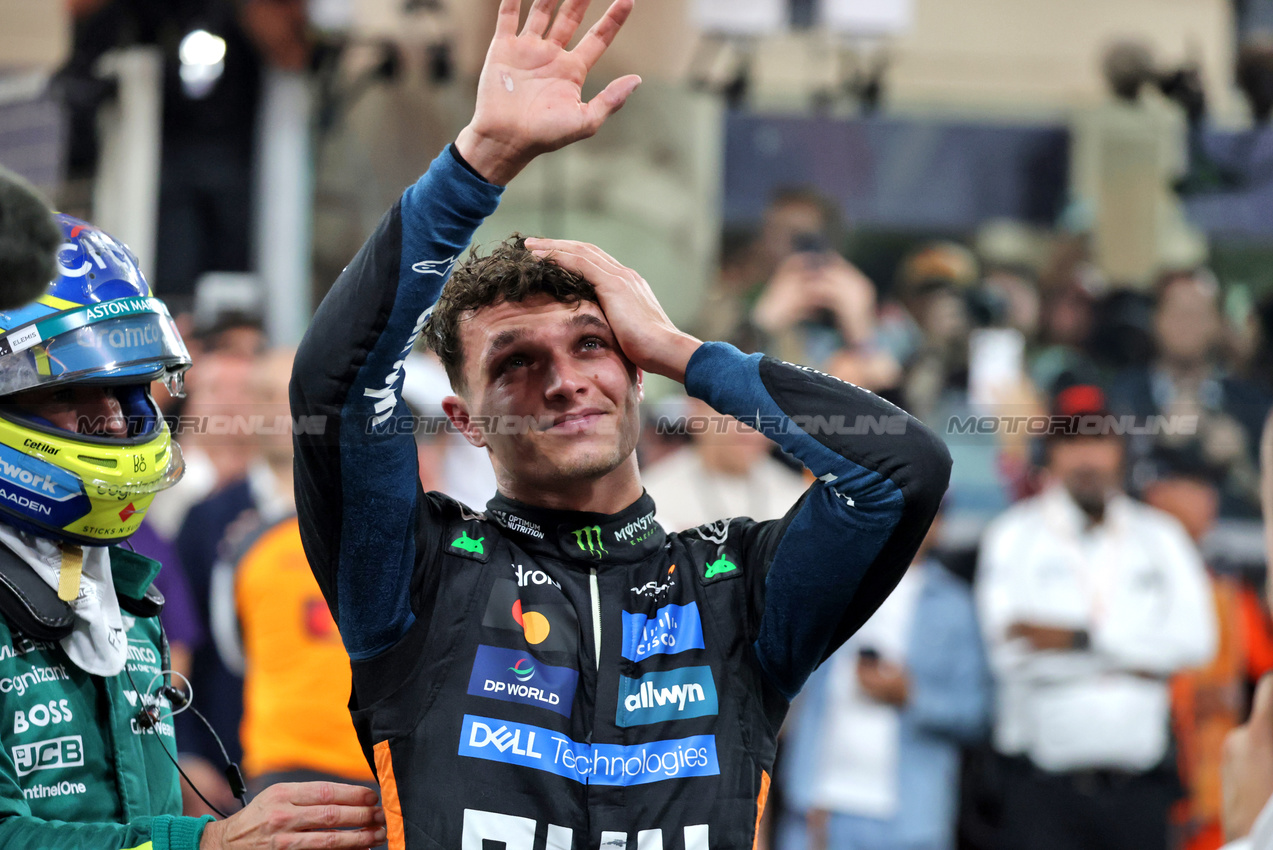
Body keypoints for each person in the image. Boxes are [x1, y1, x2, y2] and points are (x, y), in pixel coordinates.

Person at [289, 0, 951, 847]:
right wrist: (478, 162)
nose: (564, 382)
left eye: (592, 346)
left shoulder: (738, 590)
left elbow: (902, 473)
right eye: (515, 364)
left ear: (634, 372)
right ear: (466, 422)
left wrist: (686, 352)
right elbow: (337, 384)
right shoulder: (414, 582)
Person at [0, 214, 385, 849]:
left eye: (128, 392)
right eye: (77, 393)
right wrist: (209, 844)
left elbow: (133, 827)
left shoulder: (119, 585)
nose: (119, 425)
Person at [976, 383, 1217, 850]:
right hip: (1043, 793)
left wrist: (1080, 639)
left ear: (1120, 450)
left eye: (1099, 440)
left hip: (1141, 792)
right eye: (1072, 441)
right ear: (1050, 453)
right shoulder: (1013, 536)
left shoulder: (1161, 537)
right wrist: (1143, 658)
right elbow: (1009, 656)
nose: (1087, 457)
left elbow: (1196, 642)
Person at [776, 513, 990, 850]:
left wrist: (911, 695)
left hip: (911, 817)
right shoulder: (830, 583)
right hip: (819, 805)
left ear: (940, 526)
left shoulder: (954, 604)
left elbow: (977, 713)